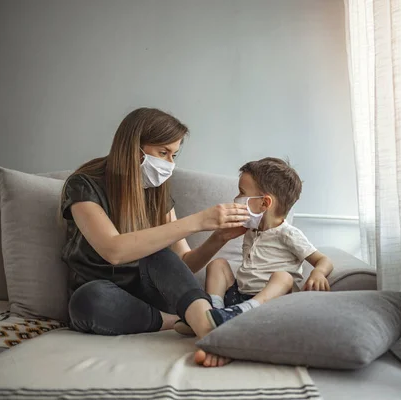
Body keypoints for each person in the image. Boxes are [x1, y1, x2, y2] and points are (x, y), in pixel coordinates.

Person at [60, 107, 248, 368]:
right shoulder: (84, 185)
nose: (169, 163)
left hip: (151, 290)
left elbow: (184, 263)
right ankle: (177, 321)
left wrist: (218, 238)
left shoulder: (155, 190)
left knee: (161, 255)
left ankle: (209, 328)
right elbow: (113, 250)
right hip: (106, 297)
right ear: (134, 148)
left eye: (174, 154)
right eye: (163, 153)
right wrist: (196, 221)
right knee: (87, 301)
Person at [199, 157, 334, 328]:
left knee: (283, 277)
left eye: (241, 192)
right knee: (217, 264)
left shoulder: (287, 233)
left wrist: (318, 273)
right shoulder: (250, 230)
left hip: (272, 302)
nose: (236, 198)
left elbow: (324, 260)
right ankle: (215, 313)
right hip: (239, 297)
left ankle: (238, 312)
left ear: (265, 202)